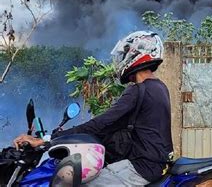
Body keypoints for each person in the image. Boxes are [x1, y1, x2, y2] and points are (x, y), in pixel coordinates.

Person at [13, 31, 173, 186]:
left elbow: (100, 124)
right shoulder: (159, 87)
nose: (121, 58)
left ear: (135, 54)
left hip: (141, 167)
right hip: (156, 164)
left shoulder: (138, 90)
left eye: (125, 52)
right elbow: (115, 125)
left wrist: (48, 139)